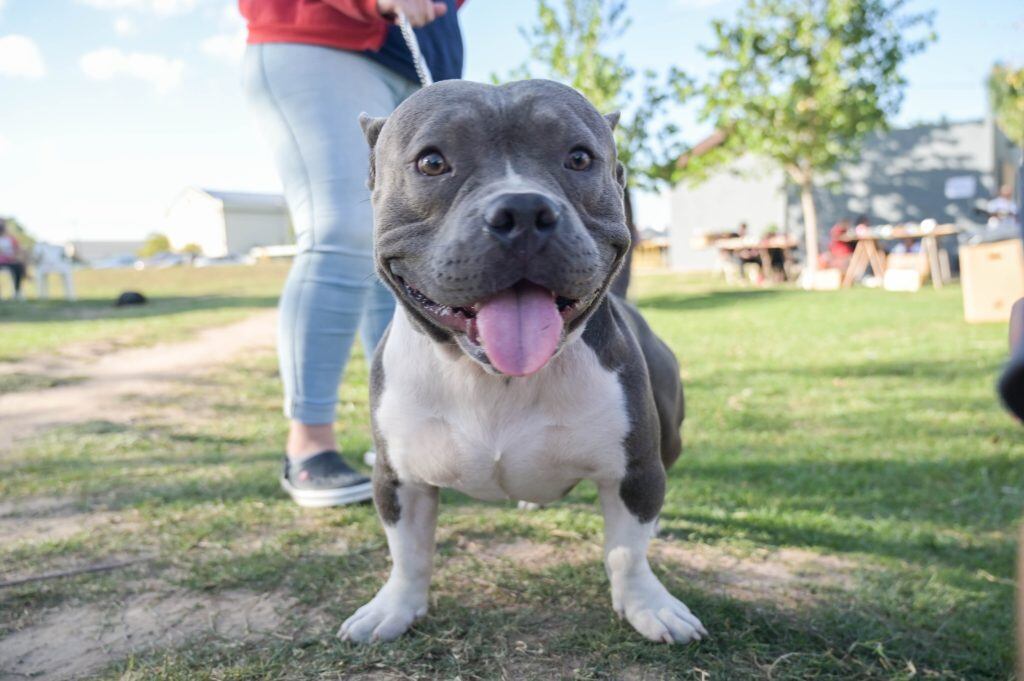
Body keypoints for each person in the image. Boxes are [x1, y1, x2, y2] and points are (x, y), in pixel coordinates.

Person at [240, 0, 466, 507]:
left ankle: (398, 433)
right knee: (342, 231)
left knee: (403, 250)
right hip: (320, 40)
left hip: (417, 63)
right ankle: (309, 445)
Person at [0, 221, 26, 301]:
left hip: (10, 262)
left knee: (19, 266)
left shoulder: (11, 239)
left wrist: (13, 257)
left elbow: (18, 250)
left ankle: (17, 291)